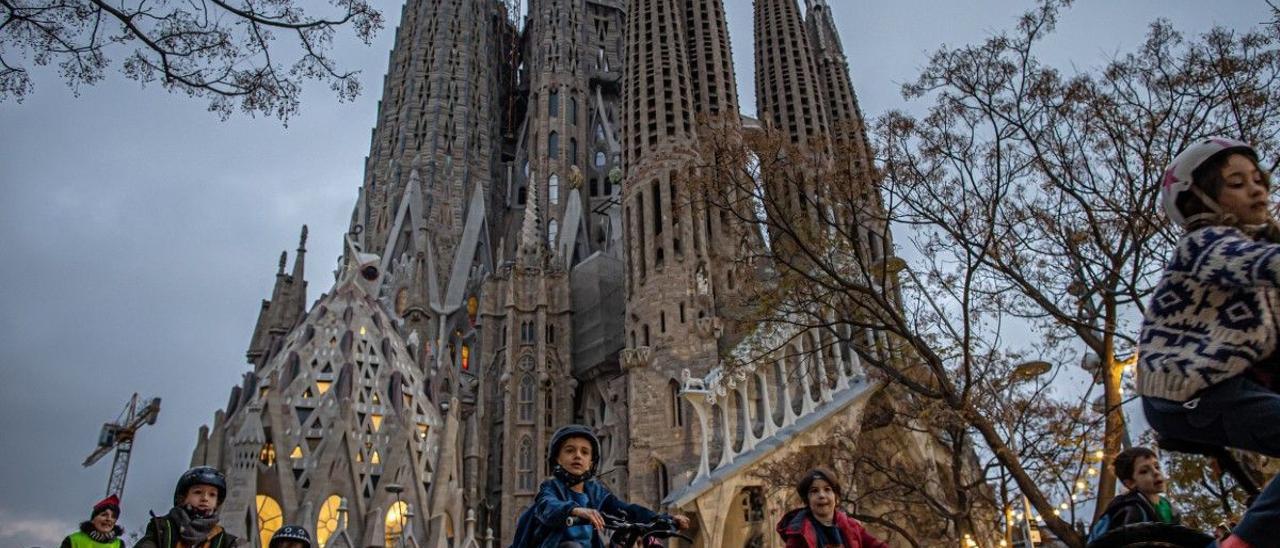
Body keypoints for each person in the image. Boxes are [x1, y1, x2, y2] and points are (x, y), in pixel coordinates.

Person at [1139, 136, 1280, 548]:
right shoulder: (1205, 245)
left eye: (1258, 179)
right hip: (1188, 390)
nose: (1256, 189)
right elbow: (1258, 264)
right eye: (1236, 183)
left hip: (1234, 383)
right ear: (1200, 199)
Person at [508, 424, 691, 548]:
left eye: (585, 452)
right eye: (570, 450)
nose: (578, 456)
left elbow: (626, 510)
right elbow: (547, 507)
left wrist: (665, 520)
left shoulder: (595, 493)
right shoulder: (550, 488)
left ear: (591, 462)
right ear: (557, 458)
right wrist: (576, 510)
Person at [775, 467, 887, 548]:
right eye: (814, 491)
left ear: (836, 497)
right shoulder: (799, 535)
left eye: (827, 489)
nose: (822, 495)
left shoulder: (851, 527)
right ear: (807, 500)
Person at [134, 466, 240, 548]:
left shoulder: (225, 541)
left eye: (212, 495)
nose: (205, 498)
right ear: (183, 498)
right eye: (198, 492)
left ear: (217, 502)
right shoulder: (162, 529)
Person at [1086, 448, 1179, 540]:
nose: (1156, 472)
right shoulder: (1130, 510)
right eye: (1144, 471)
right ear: (1130, 483)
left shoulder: (1170, 508)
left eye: (1157, 467)